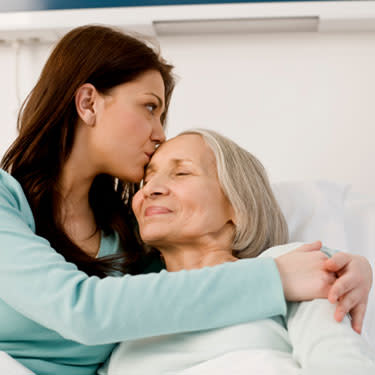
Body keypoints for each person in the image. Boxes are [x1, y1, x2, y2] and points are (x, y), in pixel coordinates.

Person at [0, 25, 371, 375]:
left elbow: (202, 254)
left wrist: (339, 265)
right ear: (88, 103)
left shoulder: (131, 240)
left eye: (180, 172)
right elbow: (83, 309)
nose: (160, 133)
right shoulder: (5, 201)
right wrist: (274, 278)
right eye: (149, 107)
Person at [104, 129, 375, 374]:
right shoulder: (131, 307)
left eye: (182, 173)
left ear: (237, 205)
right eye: (147, 179)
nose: (151, 189)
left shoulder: (289, 268)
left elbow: (339, 361)